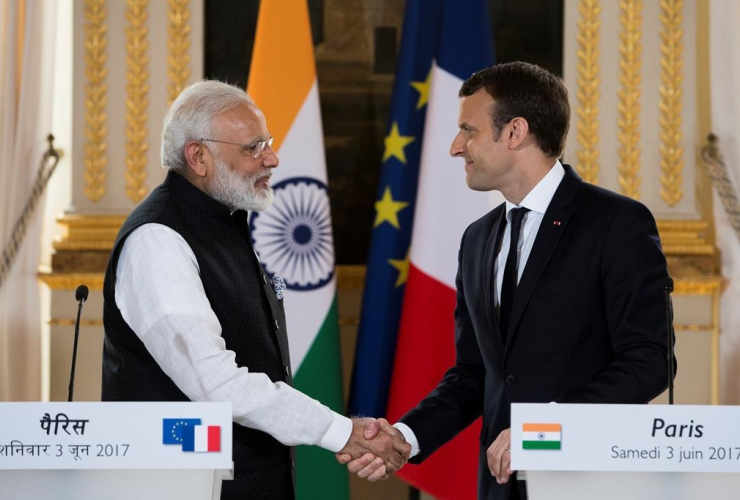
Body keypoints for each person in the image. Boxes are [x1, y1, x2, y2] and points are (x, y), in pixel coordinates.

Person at [340, 62, 675, 499]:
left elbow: (649, 360)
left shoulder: (616, 223)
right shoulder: (477, 240)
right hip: (500, 487)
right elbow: (474, 374)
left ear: (515, 132)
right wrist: (407, 436)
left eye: (468, 130)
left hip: (589, 481)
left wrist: (546, 430)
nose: (456, 147)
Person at [101, 80, 410, 499]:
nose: (272, 158)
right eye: (253, 148)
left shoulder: (225, 222)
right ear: (198, 156)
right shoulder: (157, 240)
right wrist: (341, 432)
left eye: (267, 142)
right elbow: (216, 383)